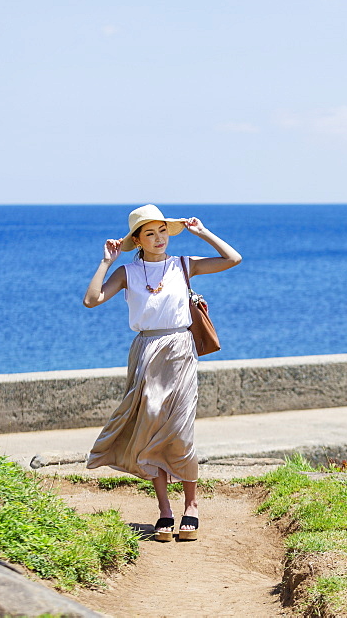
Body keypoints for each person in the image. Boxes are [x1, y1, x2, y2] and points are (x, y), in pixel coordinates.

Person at [82, 204, 242, 541]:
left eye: (163, 231)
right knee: (151, 425)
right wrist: (105, 262)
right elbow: (92, 299)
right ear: (138, 240)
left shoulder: (183, 265)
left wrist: (203, 232)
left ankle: (192, 505)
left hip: (181, 350)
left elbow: (232, 259)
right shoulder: (127, 272)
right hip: (146, 351)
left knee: (181, 429)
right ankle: (165, 511)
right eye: (150, 233)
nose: (159, 238)